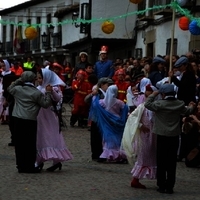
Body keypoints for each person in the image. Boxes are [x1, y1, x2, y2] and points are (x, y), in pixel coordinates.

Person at [144, 83, 196, 194]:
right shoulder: (179, 104)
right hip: (174, 135)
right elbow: (188, 111)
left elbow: (147, 104)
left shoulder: (159, 104)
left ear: (163, 94)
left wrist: (154, 94)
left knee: (161, 160)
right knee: (171, 162)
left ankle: (161, 185)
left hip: (162, 135)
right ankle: (170, 186)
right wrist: (192, 106)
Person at [7, 71, 53, 173]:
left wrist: (20, 79)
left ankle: (20, 166)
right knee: (29, 144)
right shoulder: (36, 93)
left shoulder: (18, 89)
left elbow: (9, 88)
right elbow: (45, 104)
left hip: (17, 119)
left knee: (19, 144)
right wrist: (49, 93)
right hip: (30, 120)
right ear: (34, 80)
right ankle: (29, 166)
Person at [36, 68, 73, 171]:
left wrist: (51, 91)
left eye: (40, 78)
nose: (38, 80)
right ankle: (39, 160)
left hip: (50, 116)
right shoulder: (38, 88)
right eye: (38, 78)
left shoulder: (53, 88)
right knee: (40, 136)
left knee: (51, 135)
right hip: (40, 116)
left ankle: (56, 161)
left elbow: (58, 99)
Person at [122, 84, 157, 189]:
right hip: (145, 136)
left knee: (155, 156)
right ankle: (135, 179)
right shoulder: (142, 107)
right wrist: (140, 125)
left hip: (155, 136)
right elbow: (132, 116)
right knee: (144, 156)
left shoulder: (157, 107)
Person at [90, 85, 129, 162]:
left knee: (107, 138)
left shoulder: (103, 102)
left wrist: (94, 96)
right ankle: (119, 154)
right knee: (118, 138)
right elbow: (125, 108)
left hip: (107, 121)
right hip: (117, 122)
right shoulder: (119, 102)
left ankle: (108, 154)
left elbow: (95, 105)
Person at [85, 77, 114, 161]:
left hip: (105, 119)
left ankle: (102, 153)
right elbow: (86, 100)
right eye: (108, 85)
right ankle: (96, 154)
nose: (109, 87)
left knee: (103, 138)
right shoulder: (98, 93)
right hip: (96, 118)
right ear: (102, 85)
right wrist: (92, 94)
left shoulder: (109, 93)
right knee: (96, 138)